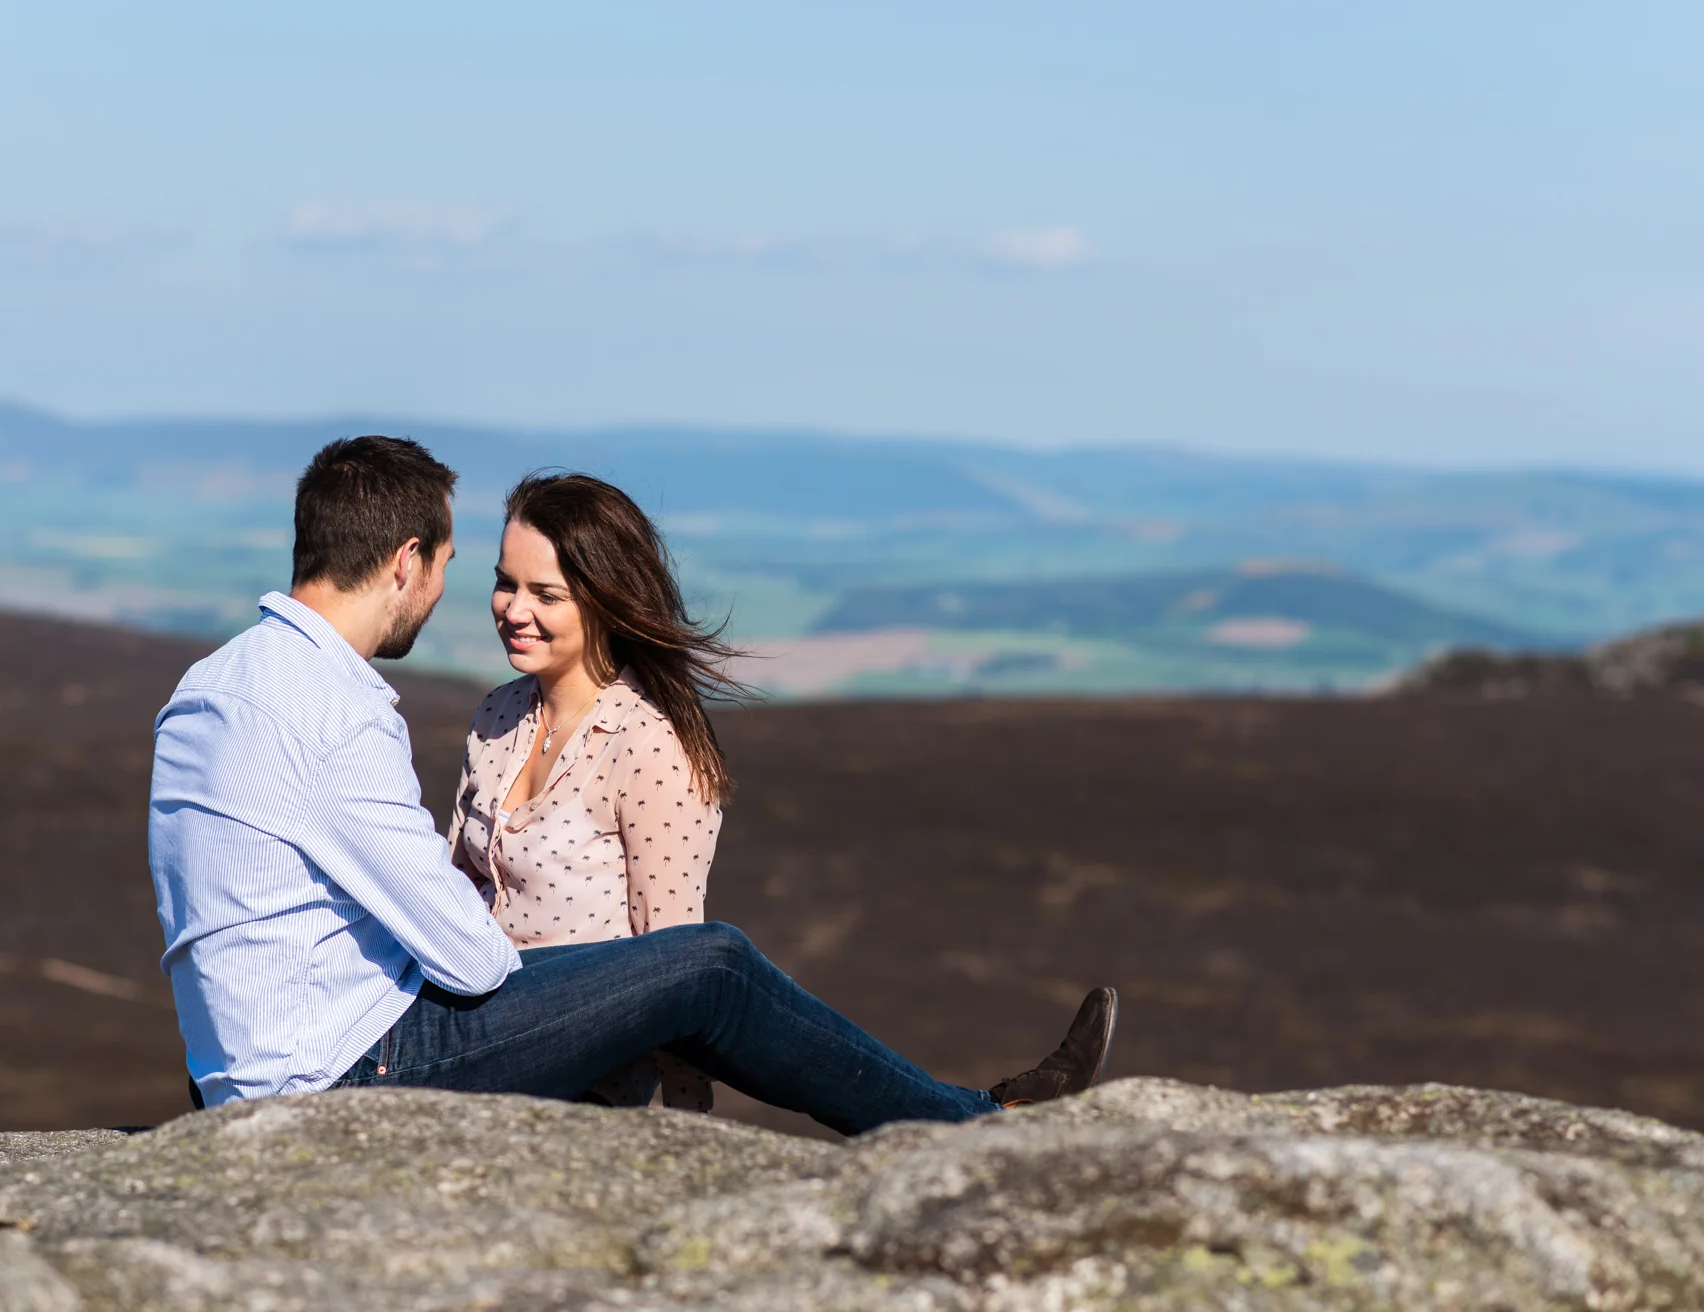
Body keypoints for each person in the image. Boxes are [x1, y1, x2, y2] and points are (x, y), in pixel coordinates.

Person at [149, 435, 1115, 1136]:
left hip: (238, 1070)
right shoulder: (341, 708)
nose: (473, 599)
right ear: (406, 562)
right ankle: (973, 1123)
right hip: (349, 1069)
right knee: (714, 965)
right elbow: (473, 959)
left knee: (691, 965)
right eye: (456, 567)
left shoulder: (208, 686)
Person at [448, 473, 747, 1112]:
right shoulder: (496, 715)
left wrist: (688, 1126)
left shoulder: (651, 746)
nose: (513, 610)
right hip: (472, 1038)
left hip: (584, 1077)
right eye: (506, 583)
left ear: (605, 600)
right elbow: (450, 889)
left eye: (545, 594)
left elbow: (676, 959)